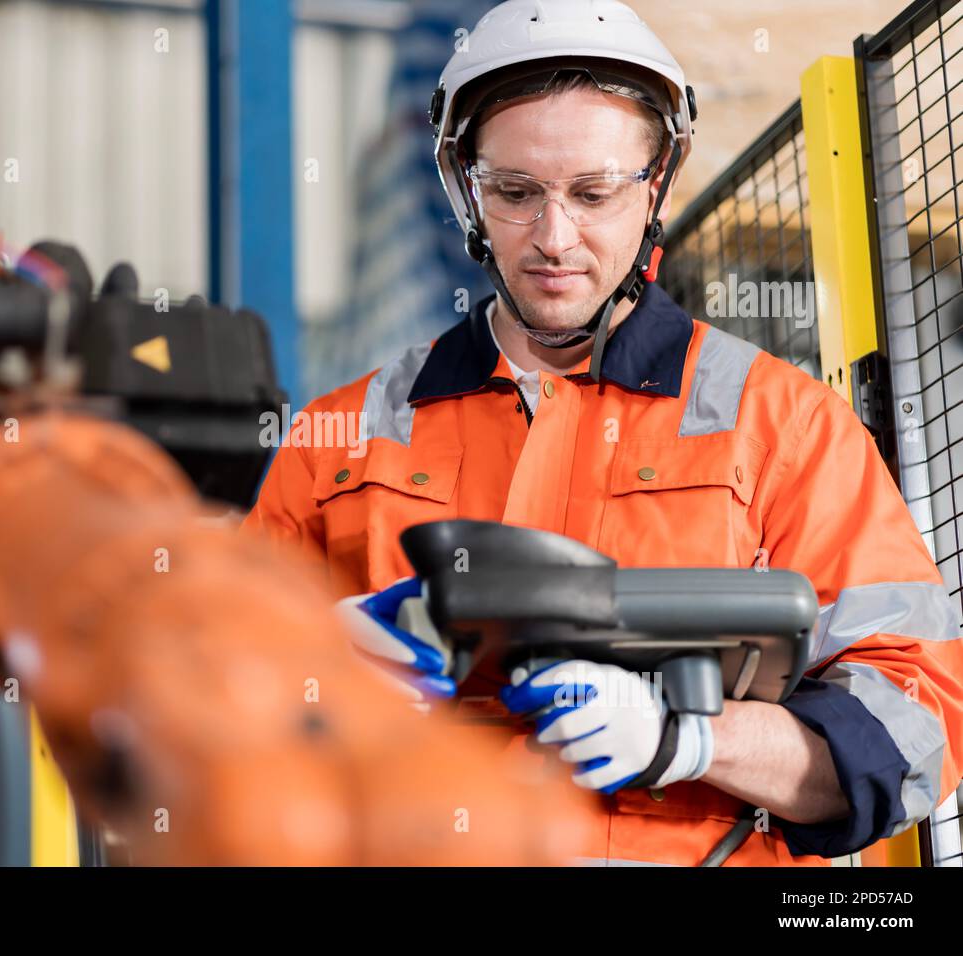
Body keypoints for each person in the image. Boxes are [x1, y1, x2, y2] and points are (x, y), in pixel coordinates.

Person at [242, 0, 963, 866]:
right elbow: (201, 722)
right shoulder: (337, 440)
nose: (554, 239)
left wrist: (690, 739)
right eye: (515, 193)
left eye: (593, 193)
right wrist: (310, 688)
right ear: (465, 188)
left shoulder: (783, 425)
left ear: (655, 187)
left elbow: (916, 726)